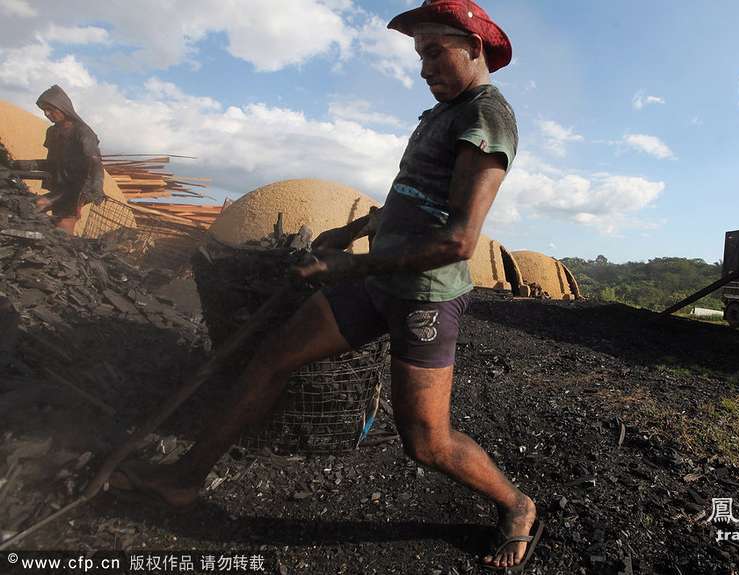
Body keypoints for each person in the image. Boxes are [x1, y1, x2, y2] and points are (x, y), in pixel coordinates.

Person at [110, 1, 542, 571]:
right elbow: (417, 195)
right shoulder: (441, 113)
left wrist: (345, 268)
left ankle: (517, 506)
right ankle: (185, 479)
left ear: (474, 47)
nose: (424, 68)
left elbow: (459, 240)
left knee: (425, 442)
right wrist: (358, 228)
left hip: (424, 297)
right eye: (419, 56)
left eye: (435, 52)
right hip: (378, 278)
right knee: (271, 358)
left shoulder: (488, 115)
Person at [11, 85, 104, 234]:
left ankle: (66, 251)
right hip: (60, 186)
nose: (47, 114)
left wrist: (97, 186)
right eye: (44, 111)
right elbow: (53, 163)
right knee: (43, 214)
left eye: (50, 109)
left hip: (79, 188)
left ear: (62, 107)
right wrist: (27, 164)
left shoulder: (82, 132)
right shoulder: (52, 132)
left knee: (58, 219)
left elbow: (95, 161)